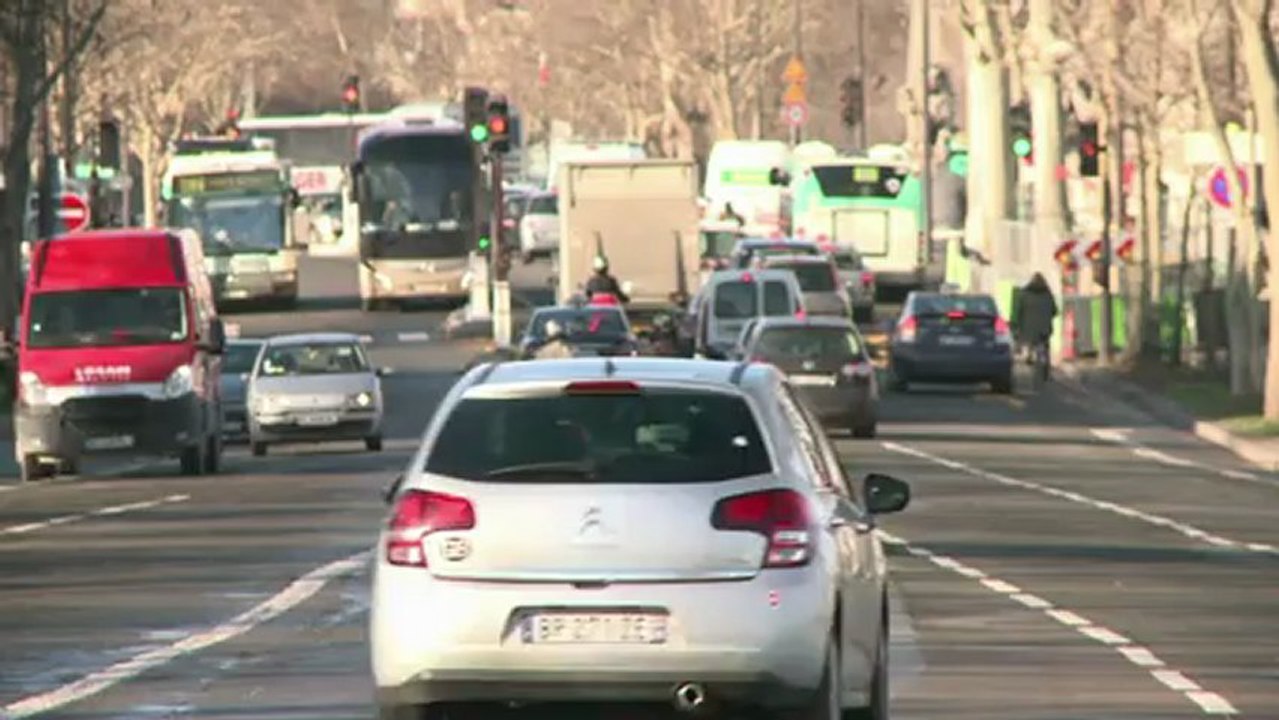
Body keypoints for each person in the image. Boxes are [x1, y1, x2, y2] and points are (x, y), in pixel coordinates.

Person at [1016, 272, 1058, 365]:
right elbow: (1054, 311)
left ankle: (1030, 358)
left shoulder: (1024, 294)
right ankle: (1044, 365)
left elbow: (1019, 311)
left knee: (1030, 347)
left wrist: (1019, 325)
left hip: (1028, 330)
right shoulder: (1047, 294)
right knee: (1044, 349)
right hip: (1044, 330)